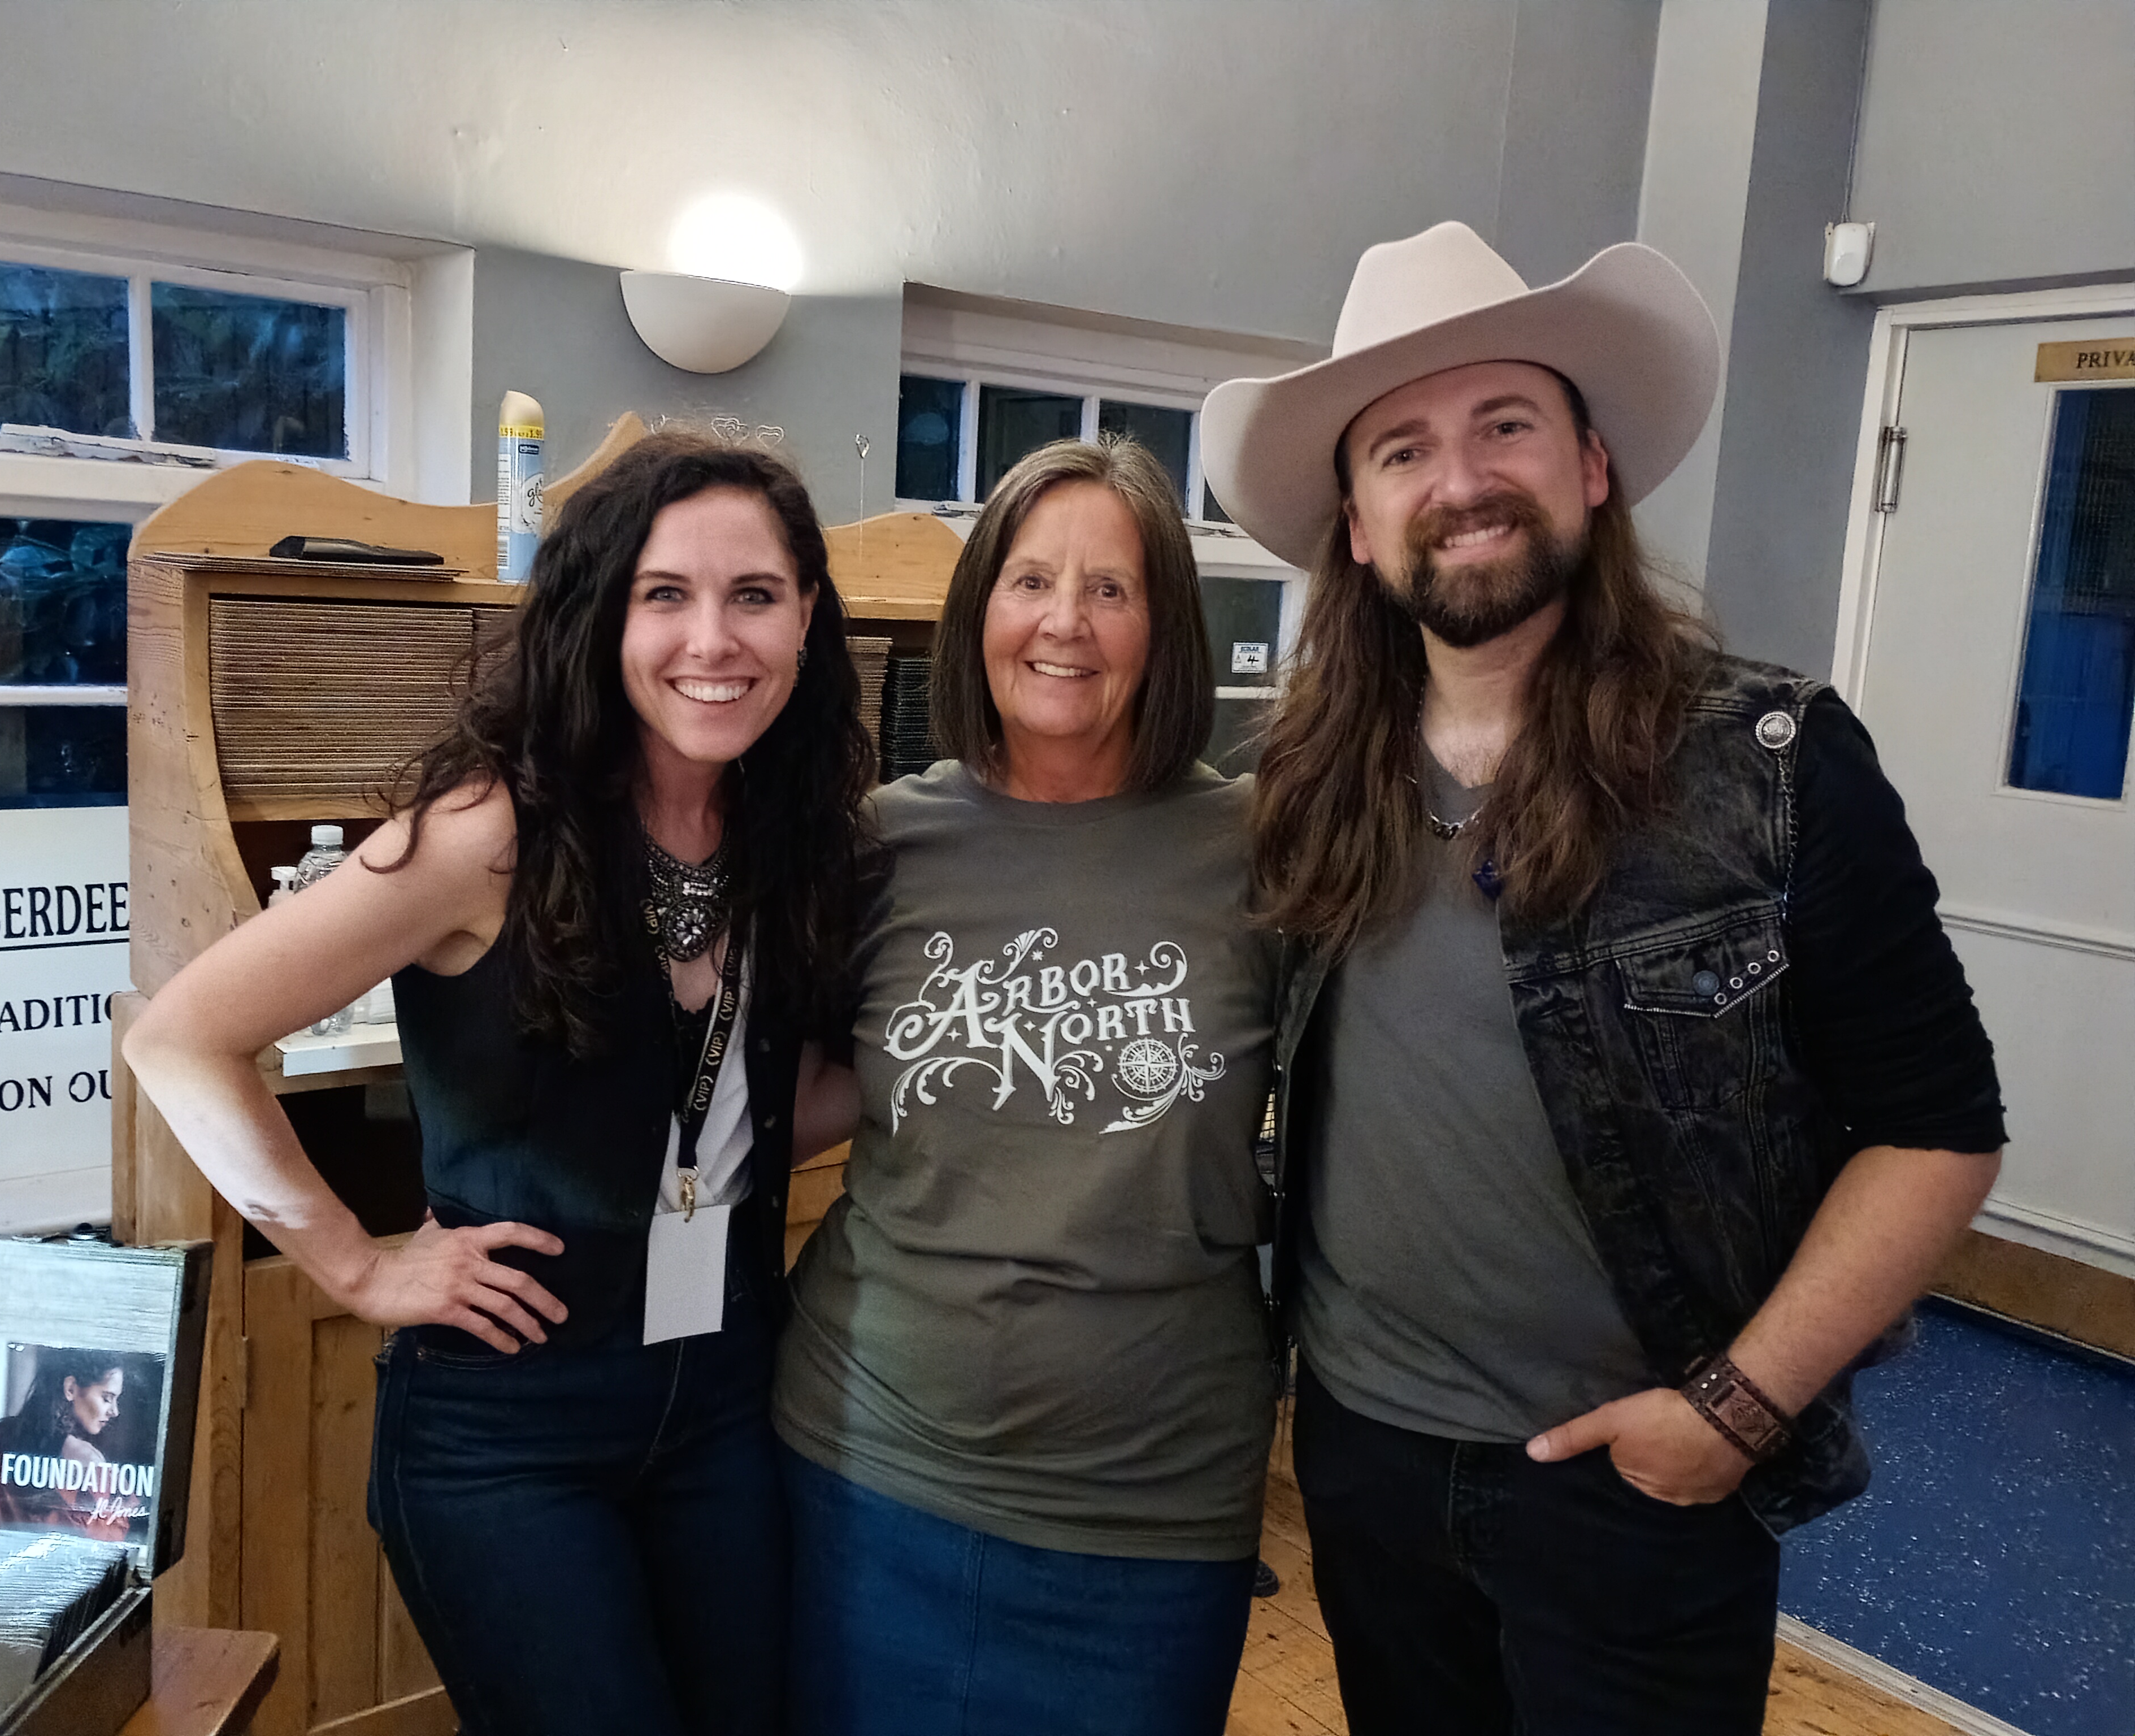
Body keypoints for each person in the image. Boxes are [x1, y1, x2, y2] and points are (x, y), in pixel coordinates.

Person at [1199, 222, 2006, 1734]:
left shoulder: (1770, 769)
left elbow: (1937, 1128)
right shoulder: (1302, 786)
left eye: (1503, 424)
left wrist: (1735, 1409)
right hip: (1367, 1460)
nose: (1459, 479)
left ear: (1589, 466)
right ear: (1357, 528)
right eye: (1400, 450)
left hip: (1638, 1487)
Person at [124, 433, 875, 1736]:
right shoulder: (485, 835)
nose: (714, 637)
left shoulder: (791, 834)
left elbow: (746, 1121)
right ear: (599, 615)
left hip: (725, 1397)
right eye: (664, 593)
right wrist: (357, 1268)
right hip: (507, 1431)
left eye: (754, 594)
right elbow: (181, 1040)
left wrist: (916, 1075)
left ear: (805, 615)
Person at [775, 438, 1279, 1736]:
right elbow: (757, 1086)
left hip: (1152, 1511)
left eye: (1111, 588)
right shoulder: (881, 842)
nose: (1066, 621)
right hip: (867, 1470)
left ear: (1164, 628)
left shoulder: (1259, 851)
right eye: (1031, 580)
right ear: (979, 612)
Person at [0, 1349, 133, 1538]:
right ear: (71, 1389)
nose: (115, 1411)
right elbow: (106, 1540)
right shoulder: (90, 1462)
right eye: (107, 1398)